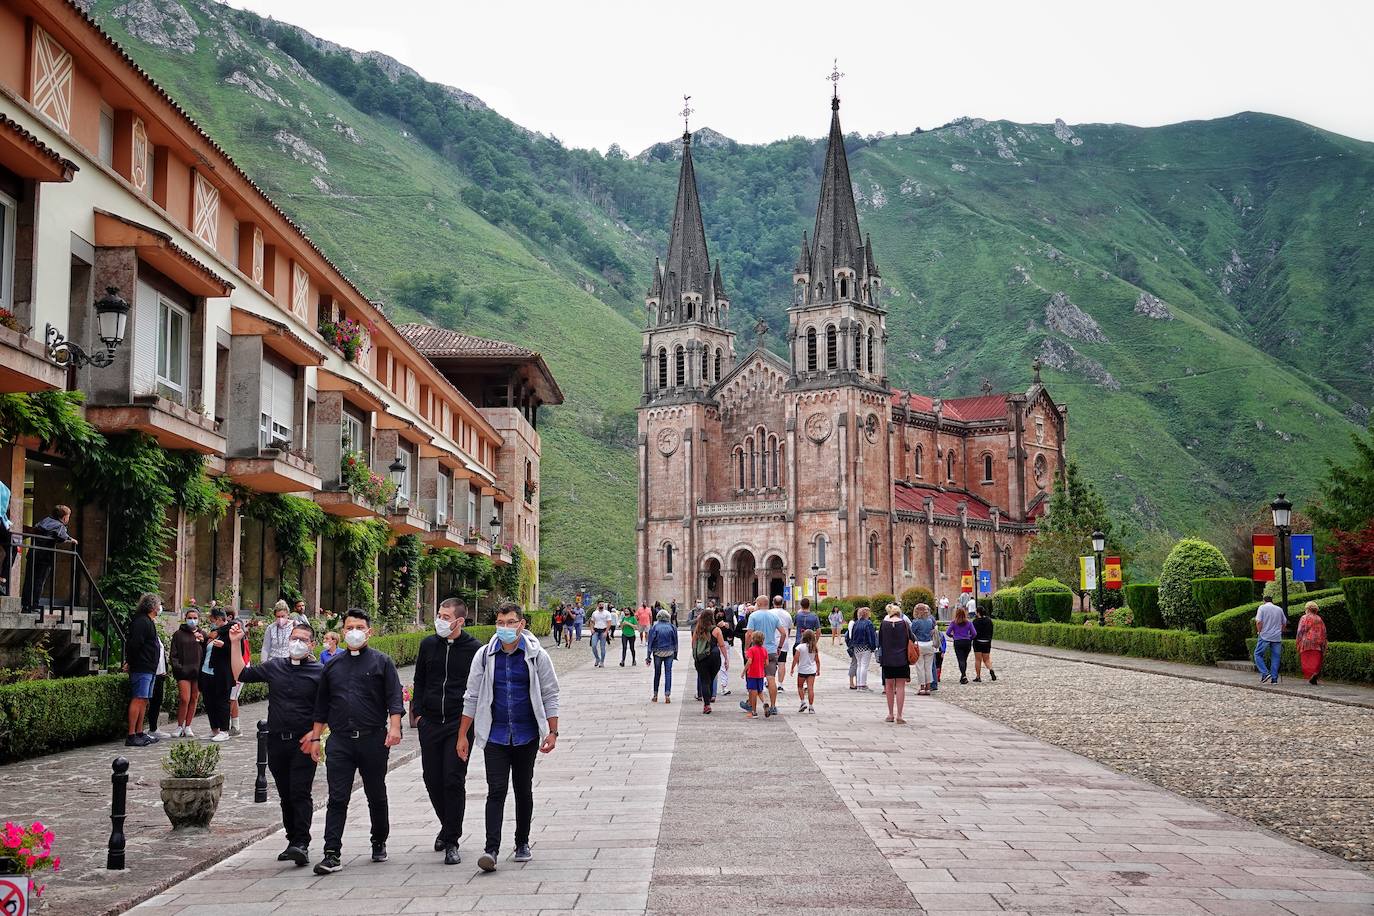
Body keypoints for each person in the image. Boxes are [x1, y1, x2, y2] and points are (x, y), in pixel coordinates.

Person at [457, 603, 560, 872]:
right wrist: (462, 736)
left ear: (521, 624)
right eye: (501, 622)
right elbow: (472, 696)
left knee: (523, 789)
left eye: (510, 622)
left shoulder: (537, 655)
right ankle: (491, 849)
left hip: (526, 734)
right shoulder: (484, 656)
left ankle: (522, 841)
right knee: (496, 791)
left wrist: (552, 731)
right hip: (495, 734)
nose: (505, 628)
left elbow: (550, 693)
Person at [307, 609, 405, 876]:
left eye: (359, 627)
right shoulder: (332, 665)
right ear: (342, 632)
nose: (354, 632)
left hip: (373, 739)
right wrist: (316, 738)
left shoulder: (382, 662)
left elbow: (394, 698)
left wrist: (394, 728)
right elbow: (321, 706)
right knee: (337, 797)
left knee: (376, 792)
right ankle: (331, 853)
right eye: (349, 627)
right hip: (340, 741)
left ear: (369, 631)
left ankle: (378, 839)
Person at [229, 617, 322, 868]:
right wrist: (236, 643)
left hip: (303, 743)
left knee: (300, 792)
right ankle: (292, 840)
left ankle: (301, 842)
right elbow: (241, 674)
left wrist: (317, 735)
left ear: (312, 644)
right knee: (285, 794)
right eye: (294, 638)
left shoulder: (320, 673)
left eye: (303, 640)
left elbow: (330, 707)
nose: (297, 643)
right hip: (277, 741)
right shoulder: (275, 667)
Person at [412, 598, 481, 865]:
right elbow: (420, 678)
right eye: (438, 614)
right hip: (430, 721)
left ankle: (452, 839)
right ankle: (446, 823)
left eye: (445, 616)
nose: (439, 620)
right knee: (432, 778)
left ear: (459, 621)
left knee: (453, 779)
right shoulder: (428, 644)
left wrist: (469, 724)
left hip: (458, 723)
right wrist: (418, 712)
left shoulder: (474, 649)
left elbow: (476, 688)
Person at [124, 592, 164, 747]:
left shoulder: (148, 621)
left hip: (149, 667)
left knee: (144, 699)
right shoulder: (141, 622)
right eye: (159, 604)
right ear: (153, 606)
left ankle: (140, 732)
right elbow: (135, 644)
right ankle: (132, 734)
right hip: (142, 667)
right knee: (139, 698)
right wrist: (130, 662)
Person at [24, 504, 77, 611]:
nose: (68, 519)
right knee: (39, 581)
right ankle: (34, 605)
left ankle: (25, 605)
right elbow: (61, 536)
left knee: (29, 580)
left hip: (33, 553)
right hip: (44, 557)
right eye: (68, 516)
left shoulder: (45, 520)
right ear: (64, 517)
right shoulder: (60, 526)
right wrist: (71, 539)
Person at [743, 595, 784, 717]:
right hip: (771, 651)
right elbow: (783, 633)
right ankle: (773, 706)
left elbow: (749, 634)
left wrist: (746, 649)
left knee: (754, 679)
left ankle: (752, 705)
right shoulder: (774, 616)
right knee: (771, 678)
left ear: (759, 604)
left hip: (756, 653)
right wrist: (779, 647)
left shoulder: (753, 616)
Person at [169, 605, 205, 737]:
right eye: (190, 618)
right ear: (185, 619)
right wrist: (179, 668)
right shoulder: (178, 634)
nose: (192, 620)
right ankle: (179, 725)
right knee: (184, 698)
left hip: (197, 672)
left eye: (195, 618)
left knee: (194, 698)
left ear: (199, 619)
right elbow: (173, 654)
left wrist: (203, 641)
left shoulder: (202, 634)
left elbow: (208, 652)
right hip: (183, 672)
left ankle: (188, 726)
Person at [198, 607, 233, 742]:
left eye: (213, 620)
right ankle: (214, 729)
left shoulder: (231, 631)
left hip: (221, 673)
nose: (212, 623)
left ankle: (224, 730)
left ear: (219, 619)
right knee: (209, 702)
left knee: (222, 702)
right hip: (207, 671)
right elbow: (207, 651)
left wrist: (223, 646)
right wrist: (203, 641)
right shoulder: (214, 633)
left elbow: (237, 651)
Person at [879, 603, 915, 724]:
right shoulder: (904, 623)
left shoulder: (884, 624)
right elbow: (912, 638)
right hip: (902, 658)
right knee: (900, 687)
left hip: (888, 659)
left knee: (889, 686)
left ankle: (890, 714)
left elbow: (880, 641)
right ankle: (899, 715)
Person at [691, 606, 727, 714]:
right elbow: (721, 645)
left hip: (701, 658)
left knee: (704, 681)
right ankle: (710, 697)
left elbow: (693, 644)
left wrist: (696, 655)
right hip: (714, 657)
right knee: (710, 679)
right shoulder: (716, 630)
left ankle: (706, 705)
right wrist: (726, 658)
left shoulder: (698, 629)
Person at [1253, 597, 1287, 684]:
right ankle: (1274, 679)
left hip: (1265, 635)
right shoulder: (1279, 609)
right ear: (1272, 601)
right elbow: (1284, 622)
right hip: (1276, 636)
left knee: (1257, 654)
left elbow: (1259, 622)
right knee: (1275, 657)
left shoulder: (1262, 607)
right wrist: (1280, 631)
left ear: (1264, 601)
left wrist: (1259, 631)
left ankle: (1265, 673)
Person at [648, 609, 678, 702]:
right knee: (668, 673)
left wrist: (648, 655)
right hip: (669, 652)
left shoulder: (654, 627)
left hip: (657, 652)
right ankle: (667, 694)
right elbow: (675, 642)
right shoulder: (672, 627)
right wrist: (676, 653)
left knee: (657, 673)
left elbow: (650, 642)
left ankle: (655, 694)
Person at [1296, 600, 1328, 685]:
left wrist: (1298, 641)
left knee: (1307, 660)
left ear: (1307, 609)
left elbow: (1300, 631)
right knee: (1317, 660)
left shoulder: (1304, 618)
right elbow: (1324, 631)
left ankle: (1311, 674)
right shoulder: (1319, 618)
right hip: (1318, 643)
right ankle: (1315, 673)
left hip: (1306, 642)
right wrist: (1324, 643)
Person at [790, 629, 820, 713]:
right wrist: (818, 669)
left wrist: (792, 668)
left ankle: (803, 702)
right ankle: (811, 707)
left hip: (802, 670)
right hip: (811, 670)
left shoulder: (800, 647)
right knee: (810, 688)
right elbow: (817, 660)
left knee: (800, 687)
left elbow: (795, 659)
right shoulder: (814, 647)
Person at [910, 604, 937, 697]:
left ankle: (922, 688)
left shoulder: (916, 622)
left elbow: (912, 633)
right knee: (928, 667)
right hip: (929, 644)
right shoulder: (930, 621)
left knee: (920, 667)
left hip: (920, 644)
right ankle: (928, 688)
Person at [946, 607, 977, 684]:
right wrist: (970, 638)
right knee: (964, 659)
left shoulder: (954, 623)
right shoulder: (969, 623)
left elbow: (947, 632)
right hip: (967, 642)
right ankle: (963, 676)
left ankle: (963, 675)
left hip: (958, 642)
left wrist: (953, 636)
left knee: (960, 659)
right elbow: (974, 633)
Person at [849, 607, 877, 691]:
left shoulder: (856, 623)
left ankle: (859, 685)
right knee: (864, 665)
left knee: (859, 665)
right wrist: (873, 646)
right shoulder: (868, 623)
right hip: (865, 647)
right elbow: (871, 636)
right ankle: (863, 685)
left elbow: (853, 636)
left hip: (857, 647)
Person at [742, 631, 767, 717]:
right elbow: (766, 663)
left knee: (753, 693)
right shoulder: (764, 650)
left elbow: (749, 661)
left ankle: (754, 711)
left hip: (752, 674)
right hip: (760, 674)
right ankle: (764, 703)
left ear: (753, 640)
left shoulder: (751, 650)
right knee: (760, 691)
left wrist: (744, 671)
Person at [972, 605, 997, 683]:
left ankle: (978, 676)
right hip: (987, 642)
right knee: (986, 659)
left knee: (978, 660)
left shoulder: (975, 621)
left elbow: (973, 632)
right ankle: (991, 669)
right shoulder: (989, 620)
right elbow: (991, 631)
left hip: (978, 642)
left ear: (978, 612)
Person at [713, 607, 734, 698]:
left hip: (724, 645)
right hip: (714, 645)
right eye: (718, 613)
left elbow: (731, 635)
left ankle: (724, 686)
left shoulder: (727, 623)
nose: (720, 614)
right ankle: (713, 688)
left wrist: (727, 627)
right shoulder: (712, 624)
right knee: (713, 667)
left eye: (721, 612)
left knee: (724, 666)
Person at [589, 602, 612, 667]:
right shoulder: (594, 613)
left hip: (603, 631)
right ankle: (597, 658)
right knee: (593, 646)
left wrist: (606, 632)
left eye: (602, 604)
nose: (601, 605)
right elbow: (592, 622)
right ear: (598, 605)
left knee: (602, 647)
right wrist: (591, 629)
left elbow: (609, 623)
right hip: (596, 631)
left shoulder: (607, 613)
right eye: (600, 604)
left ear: (604, 605)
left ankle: (602, 661)